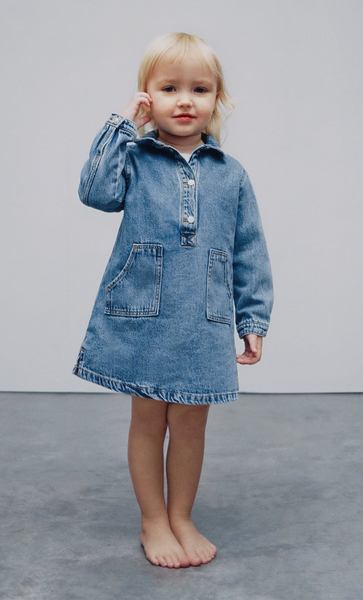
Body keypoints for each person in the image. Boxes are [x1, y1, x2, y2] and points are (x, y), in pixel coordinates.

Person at [72, 32, 274, 569]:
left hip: (204, 319)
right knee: (148, 420)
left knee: (191, 423)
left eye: (199, 89)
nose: (185, 100)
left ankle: (181, 515)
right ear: (147, 97)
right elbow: (95, 192)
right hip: (145, 314)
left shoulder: (232, 175)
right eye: (169, 88)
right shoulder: (135, 158)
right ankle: (153, 521)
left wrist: (252, 319)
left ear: (217, 100)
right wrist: (120, 126)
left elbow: (249, 250)